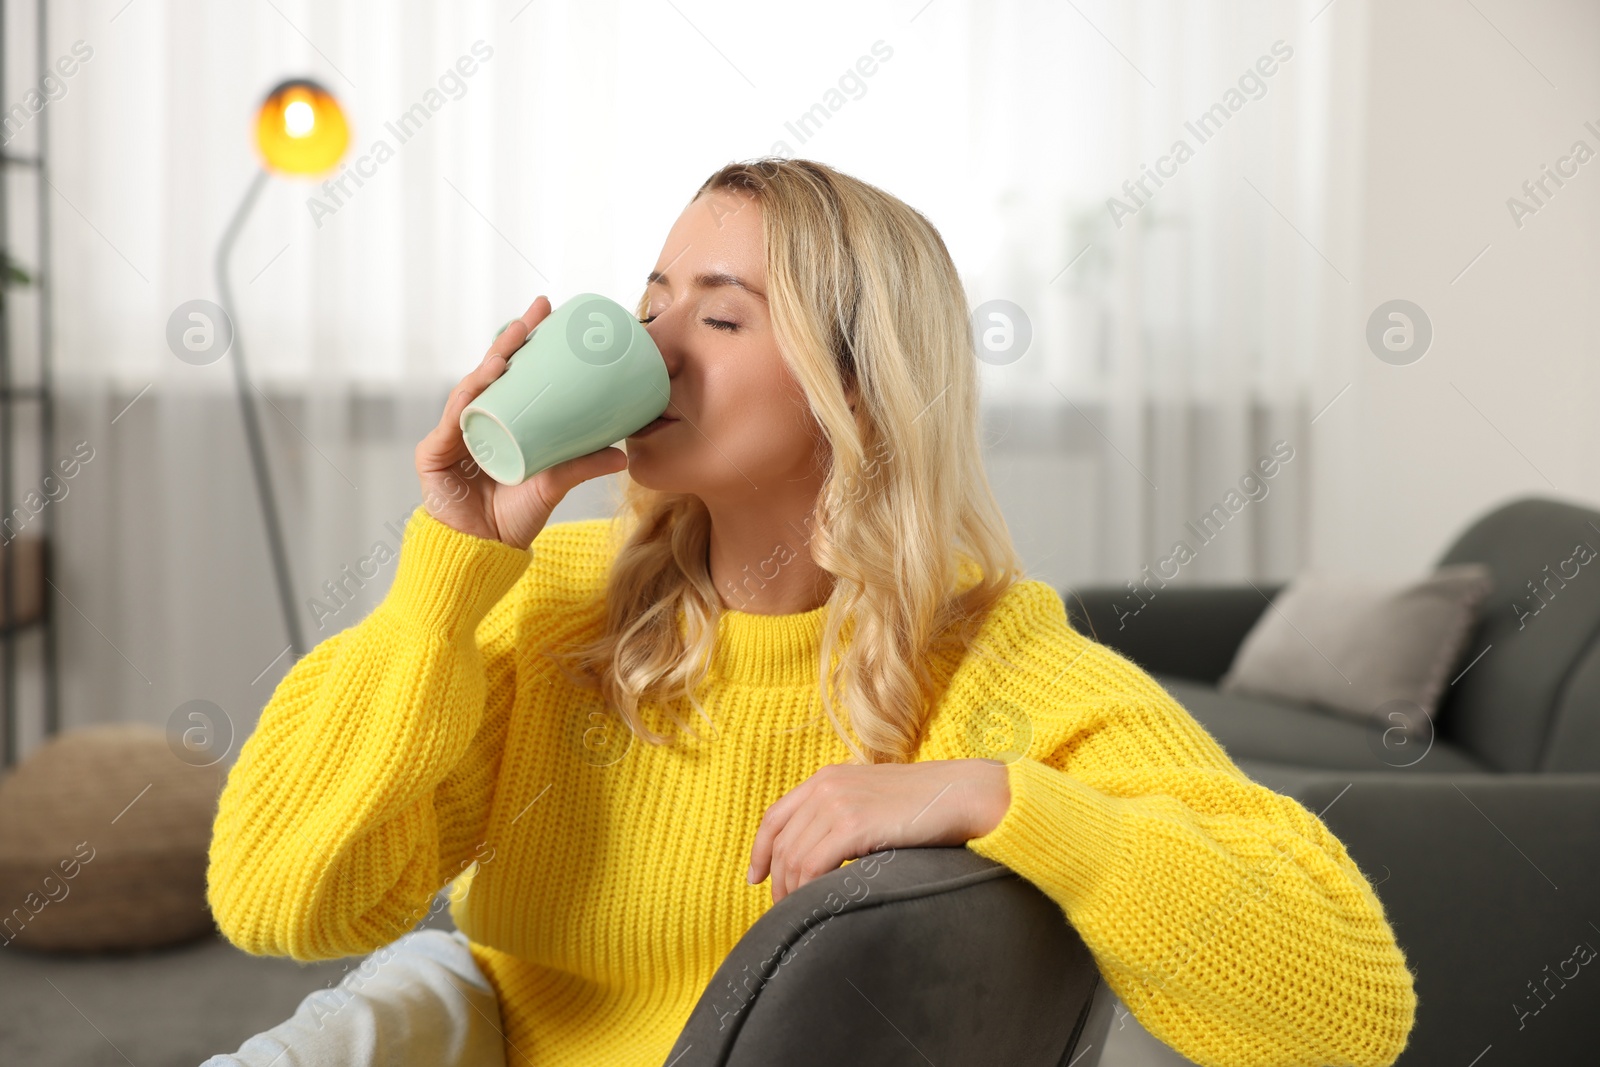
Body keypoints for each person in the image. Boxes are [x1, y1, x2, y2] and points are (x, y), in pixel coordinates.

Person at [202, 157, 1417, 1067]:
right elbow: (277, 898)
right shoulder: (559, 602)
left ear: (861, 393)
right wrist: (451, 565)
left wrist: (1000, 795)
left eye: (721, 316)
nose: (652, 345)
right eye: (648, 299)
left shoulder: (990, 660)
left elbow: (1349, 1005)